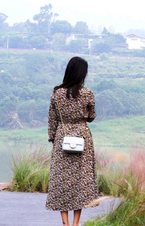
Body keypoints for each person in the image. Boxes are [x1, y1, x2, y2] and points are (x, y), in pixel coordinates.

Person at [45, 56, 99, 226]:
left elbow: (52, 119)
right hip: (82, 138)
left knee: (61, 180)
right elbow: (91, 117)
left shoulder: (57, 93)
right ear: (82, 74)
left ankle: (65, 223)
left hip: (62, 137)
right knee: (80, 181)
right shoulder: (88, 93)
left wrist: (53, 138)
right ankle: (76, 223)